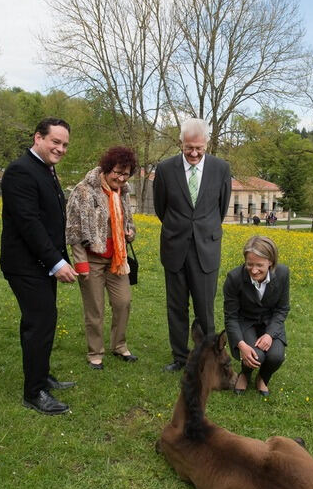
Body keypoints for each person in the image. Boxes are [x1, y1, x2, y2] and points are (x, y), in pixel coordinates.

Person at [0, 117, 79, 415]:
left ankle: (41, 375)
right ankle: (34, 392)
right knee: (39, 324)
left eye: (65, 144)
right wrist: (56, 262)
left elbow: (51, 220)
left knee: (45, 321)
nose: (60, 149)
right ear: (38, 138)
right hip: (25, 264)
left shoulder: (45, 169)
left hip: (41, 264)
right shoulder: (21, 171)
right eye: (55, 142)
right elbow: (29, 224)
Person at [153, 118, 232, 372]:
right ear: (181, 143)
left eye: (199, 148)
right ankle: (180, 357)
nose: (194, 153)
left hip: (206, 249)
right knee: (176, 306)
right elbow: (160, 208)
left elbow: (220, 209)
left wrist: (202, 230)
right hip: (175, 247)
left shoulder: (221, 169)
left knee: (205, 309)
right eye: (189, 148)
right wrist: (181, 229)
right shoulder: (165, 169)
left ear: (207, 143)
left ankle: (208, 358)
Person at [66, 146, 138, 370]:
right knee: (95, 309)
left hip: (117, 258)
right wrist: (81, 264)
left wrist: (130, 233)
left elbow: (129, 222)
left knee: (123, 302)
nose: (121, 177)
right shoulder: (84, 191)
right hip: (92, 259)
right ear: (107, 169)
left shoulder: (123, 192)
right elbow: (74, 231)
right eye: (117, 172)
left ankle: (119, 345)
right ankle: (95, 352)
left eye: (125, 174)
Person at [223, 235, 290, 397]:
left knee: (276, 356)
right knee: (255, 355)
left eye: (259, 265)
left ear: (271, 262)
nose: (253, 270)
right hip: (245, 322)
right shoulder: (234, 278)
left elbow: (282, 308)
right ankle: (245, 374)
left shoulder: (282, 273)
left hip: (270, 322)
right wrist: (241, 345)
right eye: (249, 264)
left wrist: (270, 334)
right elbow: (231, 317)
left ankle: (263, 377)